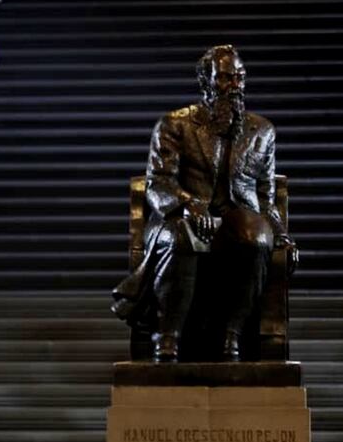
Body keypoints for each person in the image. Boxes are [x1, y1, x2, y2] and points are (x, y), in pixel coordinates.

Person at [112, 45, 298, 362]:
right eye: (225, 78)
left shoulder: (262, 130)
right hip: (180, 219)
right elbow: (158, 182)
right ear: (206, 81)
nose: (234, 86)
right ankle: (167, 337)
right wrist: (187, 204)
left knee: (256, 237)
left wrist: (280, 234)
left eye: (239, 77)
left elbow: (266, 195)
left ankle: (232, 336)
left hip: (238, 220)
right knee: (183, 237)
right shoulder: (174, 125)